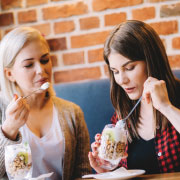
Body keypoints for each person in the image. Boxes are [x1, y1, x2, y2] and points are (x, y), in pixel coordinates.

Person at [88, 20, 180, 174]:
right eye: (115, 72)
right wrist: (105, 170)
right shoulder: (122, 115)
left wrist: (166, 107)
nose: (122, 80)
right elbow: (121, 173)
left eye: (129, 68)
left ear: (151, 60)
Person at [0, 27, 91, 180]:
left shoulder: (73, 113)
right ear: (10, 74)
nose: (41, 70)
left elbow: (83, 173)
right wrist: (9, 130)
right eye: (29, 65)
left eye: (44, 60)